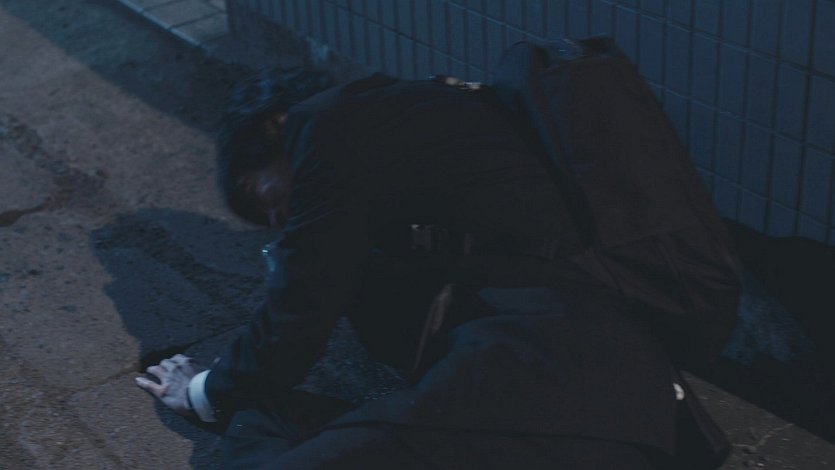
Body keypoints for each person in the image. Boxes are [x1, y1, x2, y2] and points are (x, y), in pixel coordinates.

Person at [135, 64, 735, 468]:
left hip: (551, 386)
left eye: (270, 201)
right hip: (595, 395)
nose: (286, 223)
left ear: (277, 125)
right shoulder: (418, 123)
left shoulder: (329, 124)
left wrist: (203, 393)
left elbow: (301, 310)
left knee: (259, 426)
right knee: (263, 417)